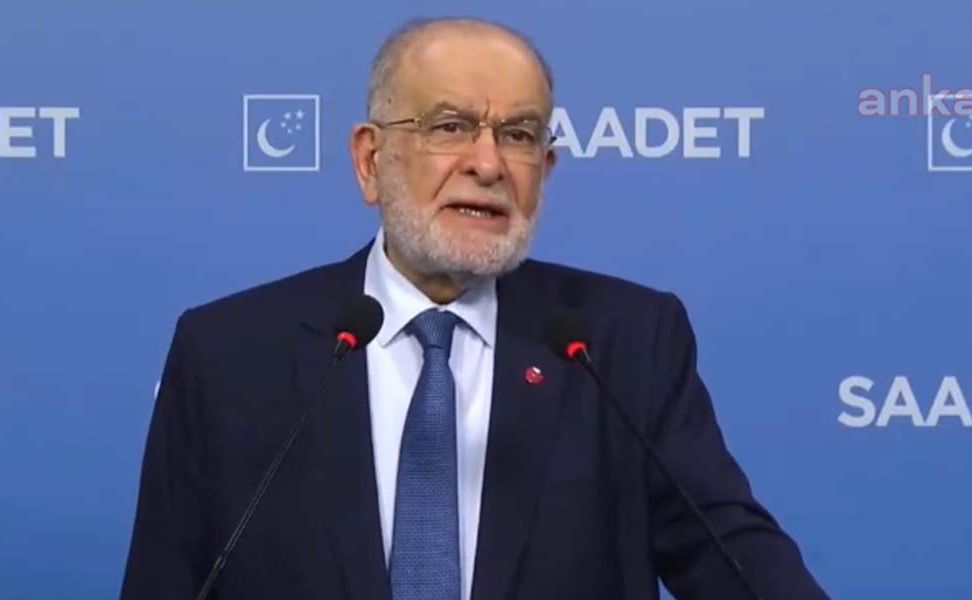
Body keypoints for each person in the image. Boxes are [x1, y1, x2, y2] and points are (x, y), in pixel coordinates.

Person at [121, 17, 828, 600]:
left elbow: (731, 557)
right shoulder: (229, 352)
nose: (488, 164)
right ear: (370, 160)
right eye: (450, 127)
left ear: (544, 170)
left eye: (518, 135)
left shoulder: (624, 341)